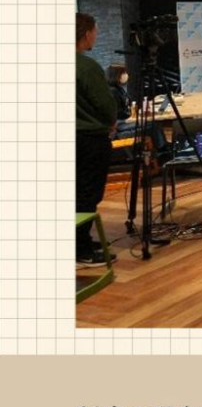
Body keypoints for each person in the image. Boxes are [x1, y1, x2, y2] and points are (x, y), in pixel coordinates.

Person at [76, 13, 118, 266]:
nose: (97, 35)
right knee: (87, 194)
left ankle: (79, 239)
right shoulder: (86, 67)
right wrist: (111, 122)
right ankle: (81, 250)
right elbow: (105, 105)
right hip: (89, 140)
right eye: (95, 31)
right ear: (85, 33)